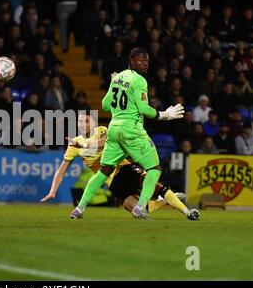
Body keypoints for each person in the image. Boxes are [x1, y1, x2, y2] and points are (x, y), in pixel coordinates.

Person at [69, 47, 185, 220]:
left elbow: (105, 105)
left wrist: (113, 84)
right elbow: (143, 109)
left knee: (104, 171)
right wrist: (164, 115)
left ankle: (79, 209)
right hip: (131, 129)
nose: (145, 63)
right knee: (154, 169)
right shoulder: (139, 80)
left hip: (114, 128)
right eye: (141, 60)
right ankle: (140, 207)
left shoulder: (117, 78)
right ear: (131, 60)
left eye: (147, 60)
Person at [40, 113, 198, 220]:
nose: (83, 124)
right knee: (139, 211)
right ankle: (166, 201)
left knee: (156, 187)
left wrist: (83, 144)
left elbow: (102, 144)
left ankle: (187, 212)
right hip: (112, 182)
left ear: (93, 122)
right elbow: (61, 171)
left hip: (125, 169)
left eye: (86, 121)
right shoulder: (73, 146)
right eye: (80, 121)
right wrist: (53, 190)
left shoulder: (102, 131)